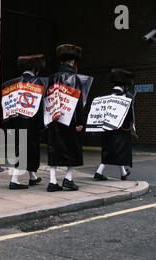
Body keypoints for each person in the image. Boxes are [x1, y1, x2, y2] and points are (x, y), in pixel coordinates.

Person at [44, 44, 94, 192]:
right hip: (71, 121)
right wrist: (80, 122)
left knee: (54, 148)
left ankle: (52, 181)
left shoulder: (51, 78)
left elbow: (46, 100)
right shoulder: (76, 79)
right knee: (72, 148)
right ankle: (68, 178)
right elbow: (79, 103)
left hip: (54, 118)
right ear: (72, 62)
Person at [1, 54, 47, 190]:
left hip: (13, 122)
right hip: (30, 123)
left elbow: (5, 106)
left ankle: (33, 177)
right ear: (35, 68)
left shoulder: (10, 83)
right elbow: (40, 106)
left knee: (25, 150)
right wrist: (42, 124)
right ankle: (14, 180)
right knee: (25, 150)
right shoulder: (39, 82)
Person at [94, 69, 135, 181]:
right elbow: (130, 115)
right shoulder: (127, 97)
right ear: (125, 85)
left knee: (111, 150)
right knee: (119, 150)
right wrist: (132, 125)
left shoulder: (105, 97)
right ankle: (99, 172)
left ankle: (123, 174)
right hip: (121, 129)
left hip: (107, 129)